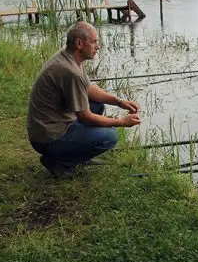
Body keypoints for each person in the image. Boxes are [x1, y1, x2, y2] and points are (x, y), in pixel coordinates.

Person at [27, 21, 141, 179]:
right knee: (110, 136)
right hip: (48, 138)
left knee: (97, 103)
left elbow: (87, 88)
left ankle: (76, 153)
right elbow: (85, 116)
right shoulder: (70, 72)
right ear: (79, 44)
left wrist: (119, 101)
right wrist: (121, 122)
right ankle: (57, 161)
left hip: (52, 126)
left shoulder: (69, 57)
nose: (98, 46)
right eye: (94, 41)